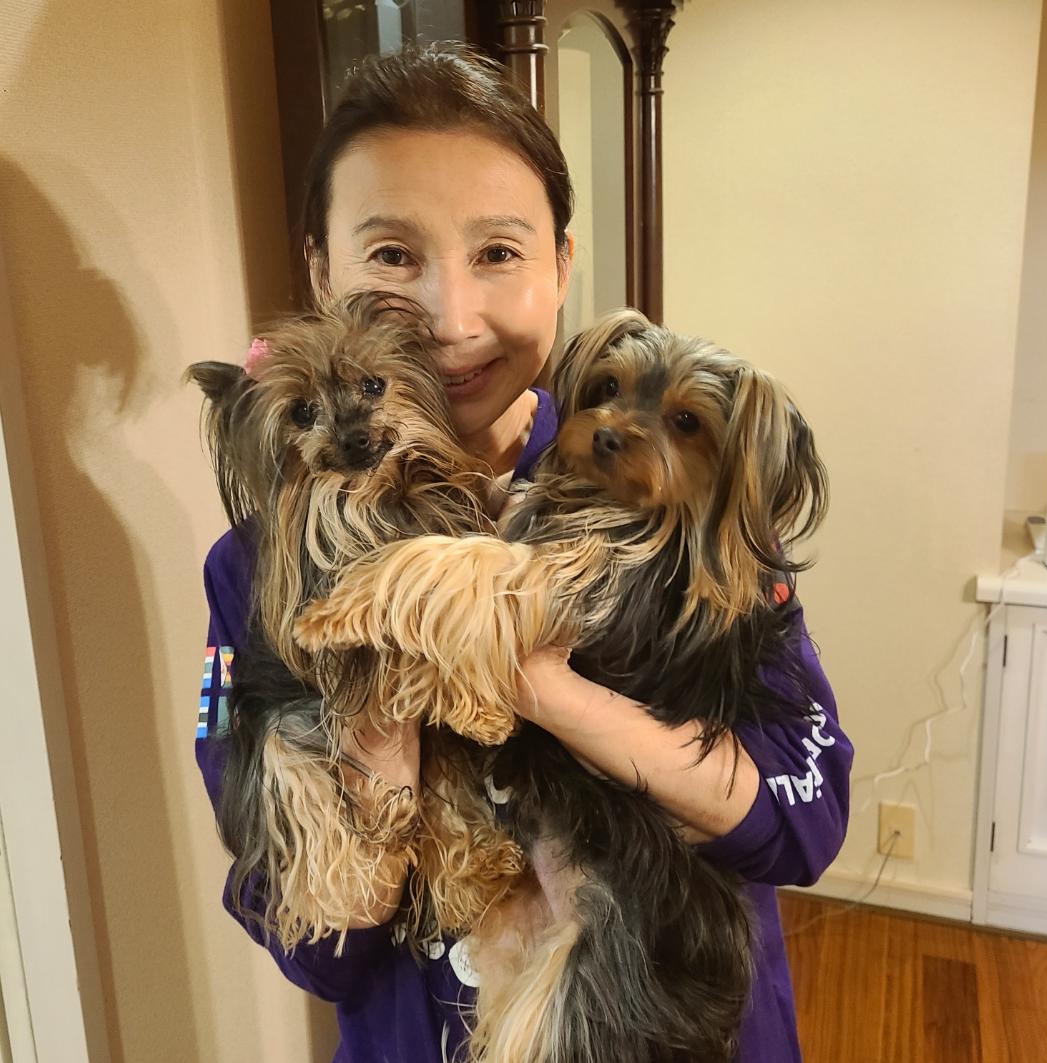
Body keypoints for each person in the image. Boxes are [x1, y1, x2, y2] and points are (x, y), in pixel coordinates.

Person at [195, 44, 853, 1063]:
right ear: (322, 271)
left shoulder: (687, 501)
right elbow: (303, 928)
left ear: (560, 265)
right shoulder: (249, 566)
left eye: (498, 252)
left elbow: (805, 812)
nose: (450, 319)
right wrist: (378, 723)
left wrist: (538, 683)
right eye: (392, 256)